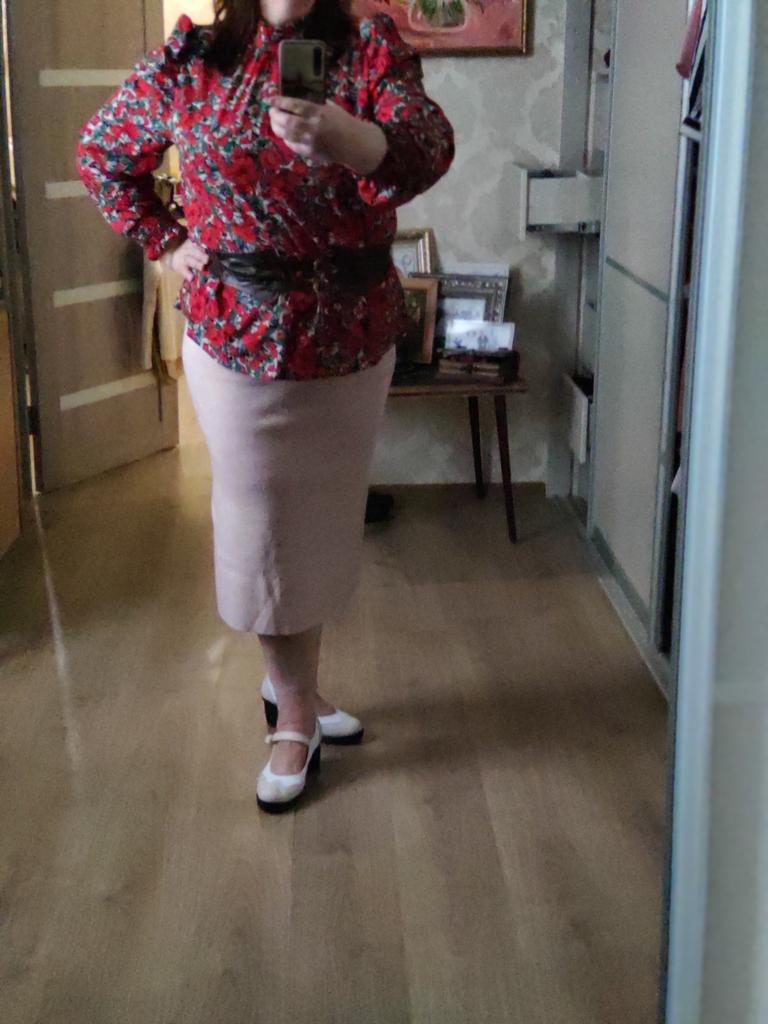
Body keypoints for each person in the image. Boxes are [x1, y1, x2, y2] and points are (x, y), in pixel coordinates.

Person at [77, 0, 454, 812]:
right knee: (262, 524)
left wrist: (353, 140)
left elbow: (428, 147)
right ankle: (294, 716)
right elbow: (102, 153)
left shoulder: (370, 49)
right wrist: (167, 242)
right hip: (237, 332)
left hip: (352, 335)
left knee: (322, 521)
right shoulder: (193, 60)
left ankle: (295, 689)